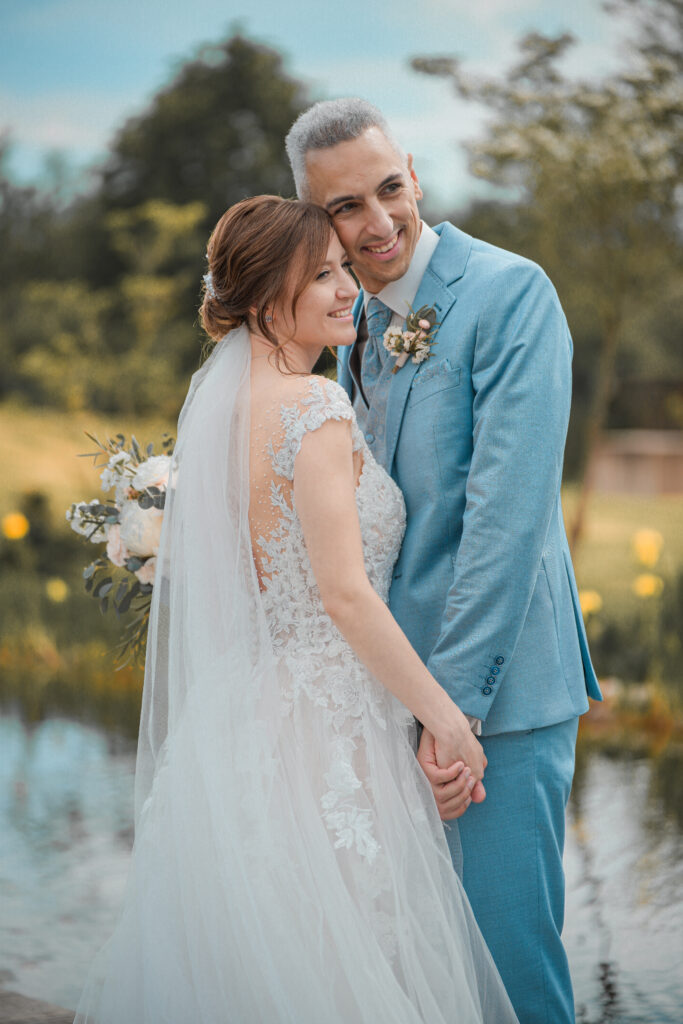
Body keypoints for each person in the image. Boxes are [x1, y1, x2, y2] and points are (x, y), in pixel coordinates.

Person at [73, 195, 518, 1023]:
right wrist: (446, 720)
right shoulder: (312, 408)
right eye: (320, 275)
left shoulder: (227, 413)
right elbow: (343, 595)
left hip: (240, 722)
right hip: (328, 730)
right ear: (266, 300)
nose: (347, 287)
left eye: (343, 268)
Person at [285, 98, 603, 1024]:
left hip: (494, 703)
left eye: (389, 189)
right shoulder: (349, 323)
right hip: (394, 693)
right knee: (421, 976)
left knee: (508, 972)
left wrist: (451, 708)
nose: (377, 223)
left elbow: (505, 522)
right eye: (345, 208)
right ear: (315, 219)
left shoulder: (510, 294)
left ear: (415, 176)